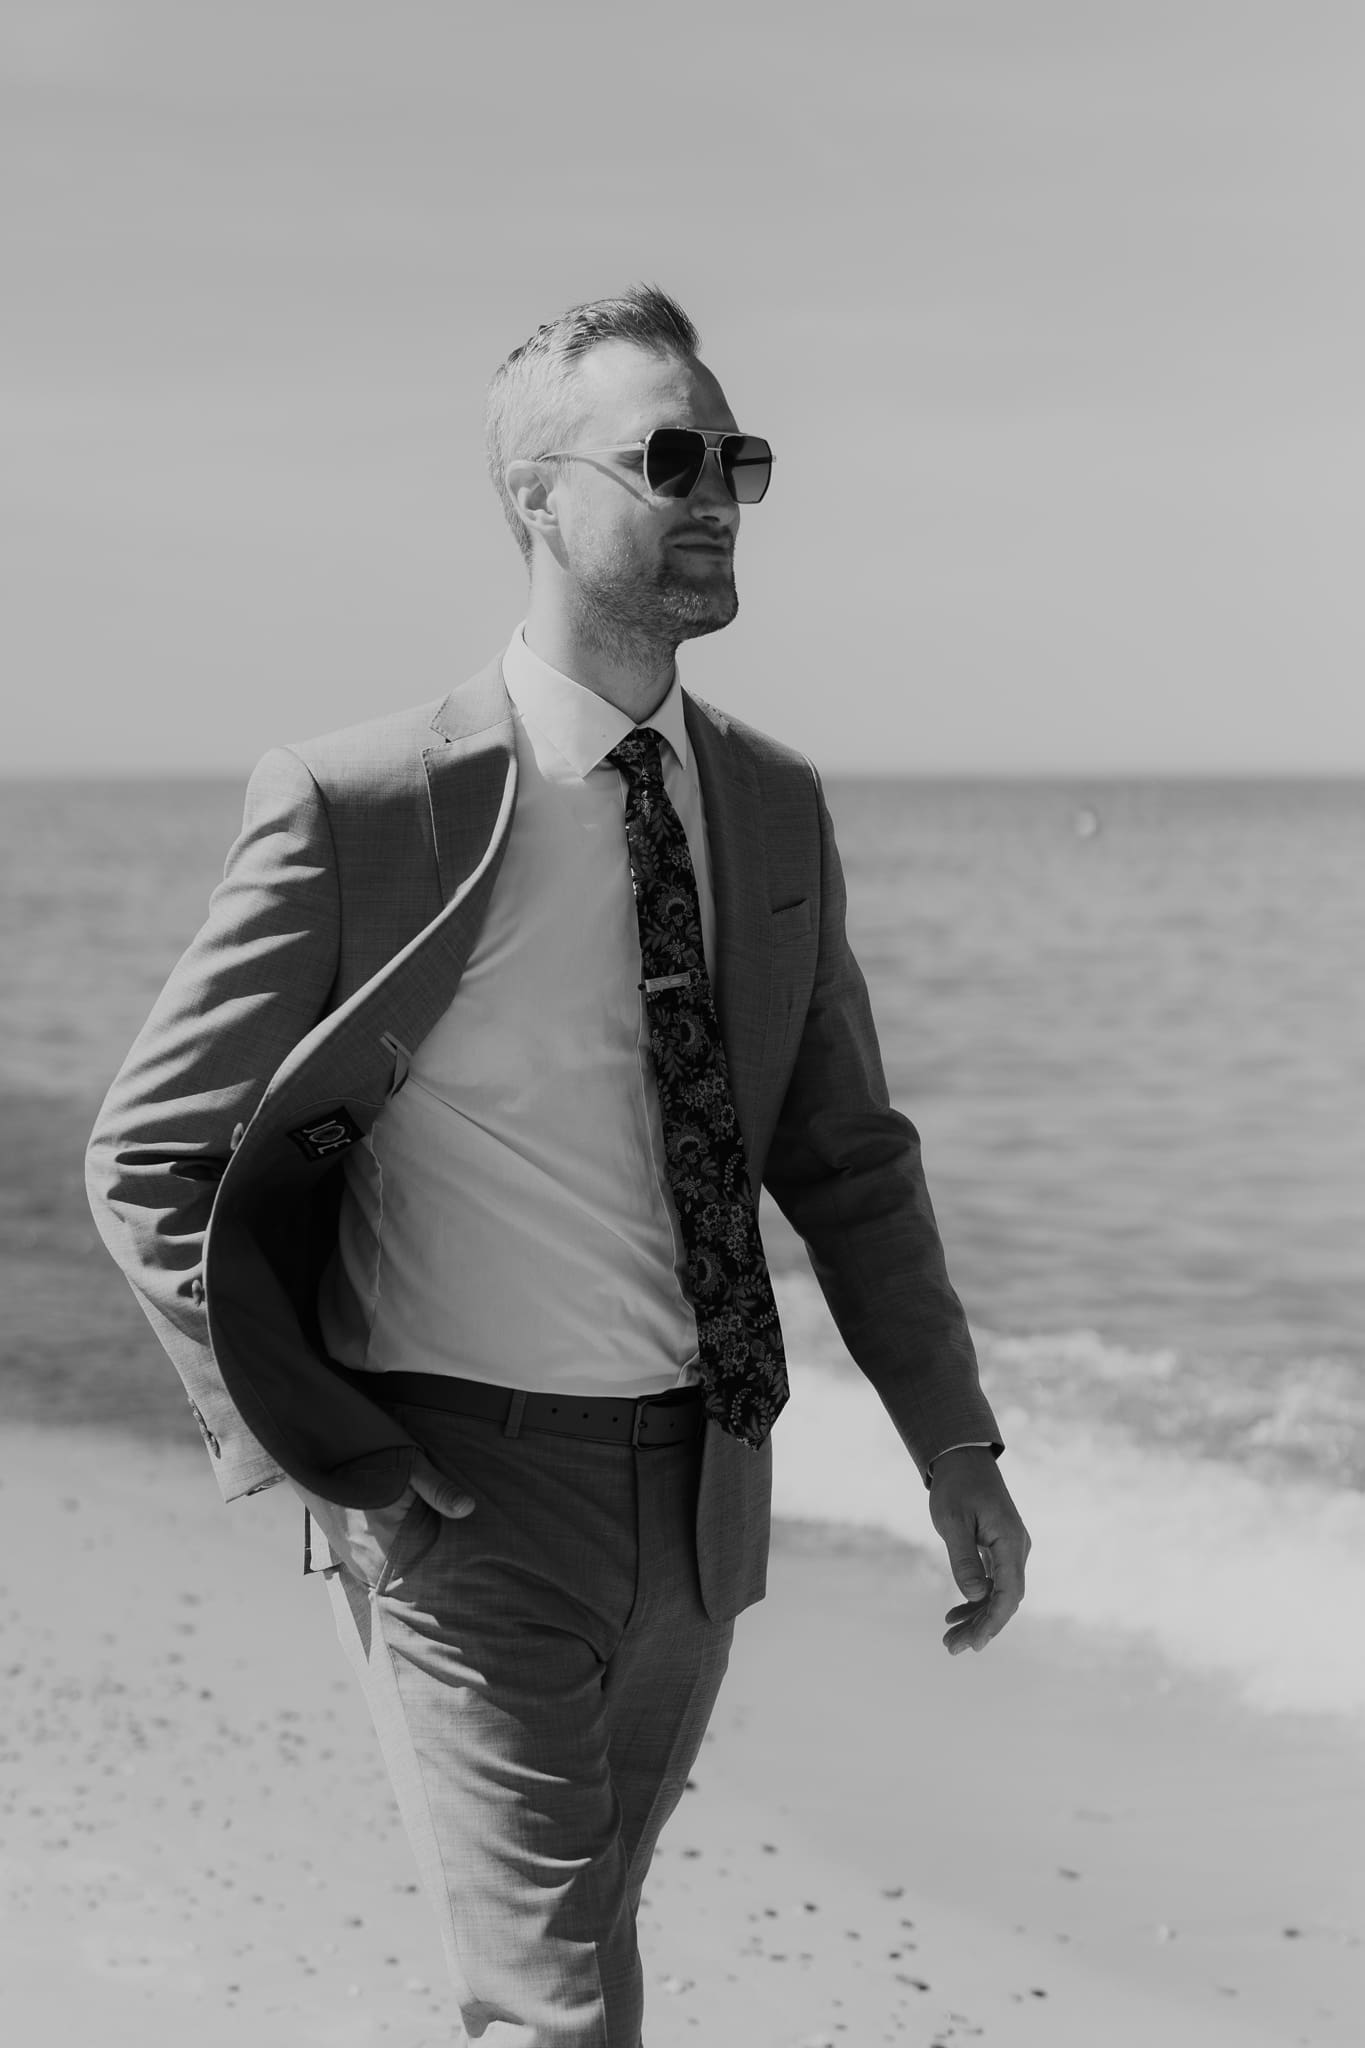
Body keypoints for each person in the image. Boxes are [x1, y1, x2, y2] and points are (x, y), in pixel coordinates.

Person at [86, 284, 1030, 2047]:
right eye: (667, 457)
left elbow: (845, 1157)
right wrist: (314, 1452)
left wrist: (953, 1444)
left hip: (703, 1501)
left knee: (581, 1948)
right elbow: (148, 1151)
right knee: (554, 2010)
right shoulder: (365, 803)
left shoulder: (768, 804)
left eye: (735, 459)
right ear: (536, 496)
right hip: (455, 1494)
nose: (714, 495)